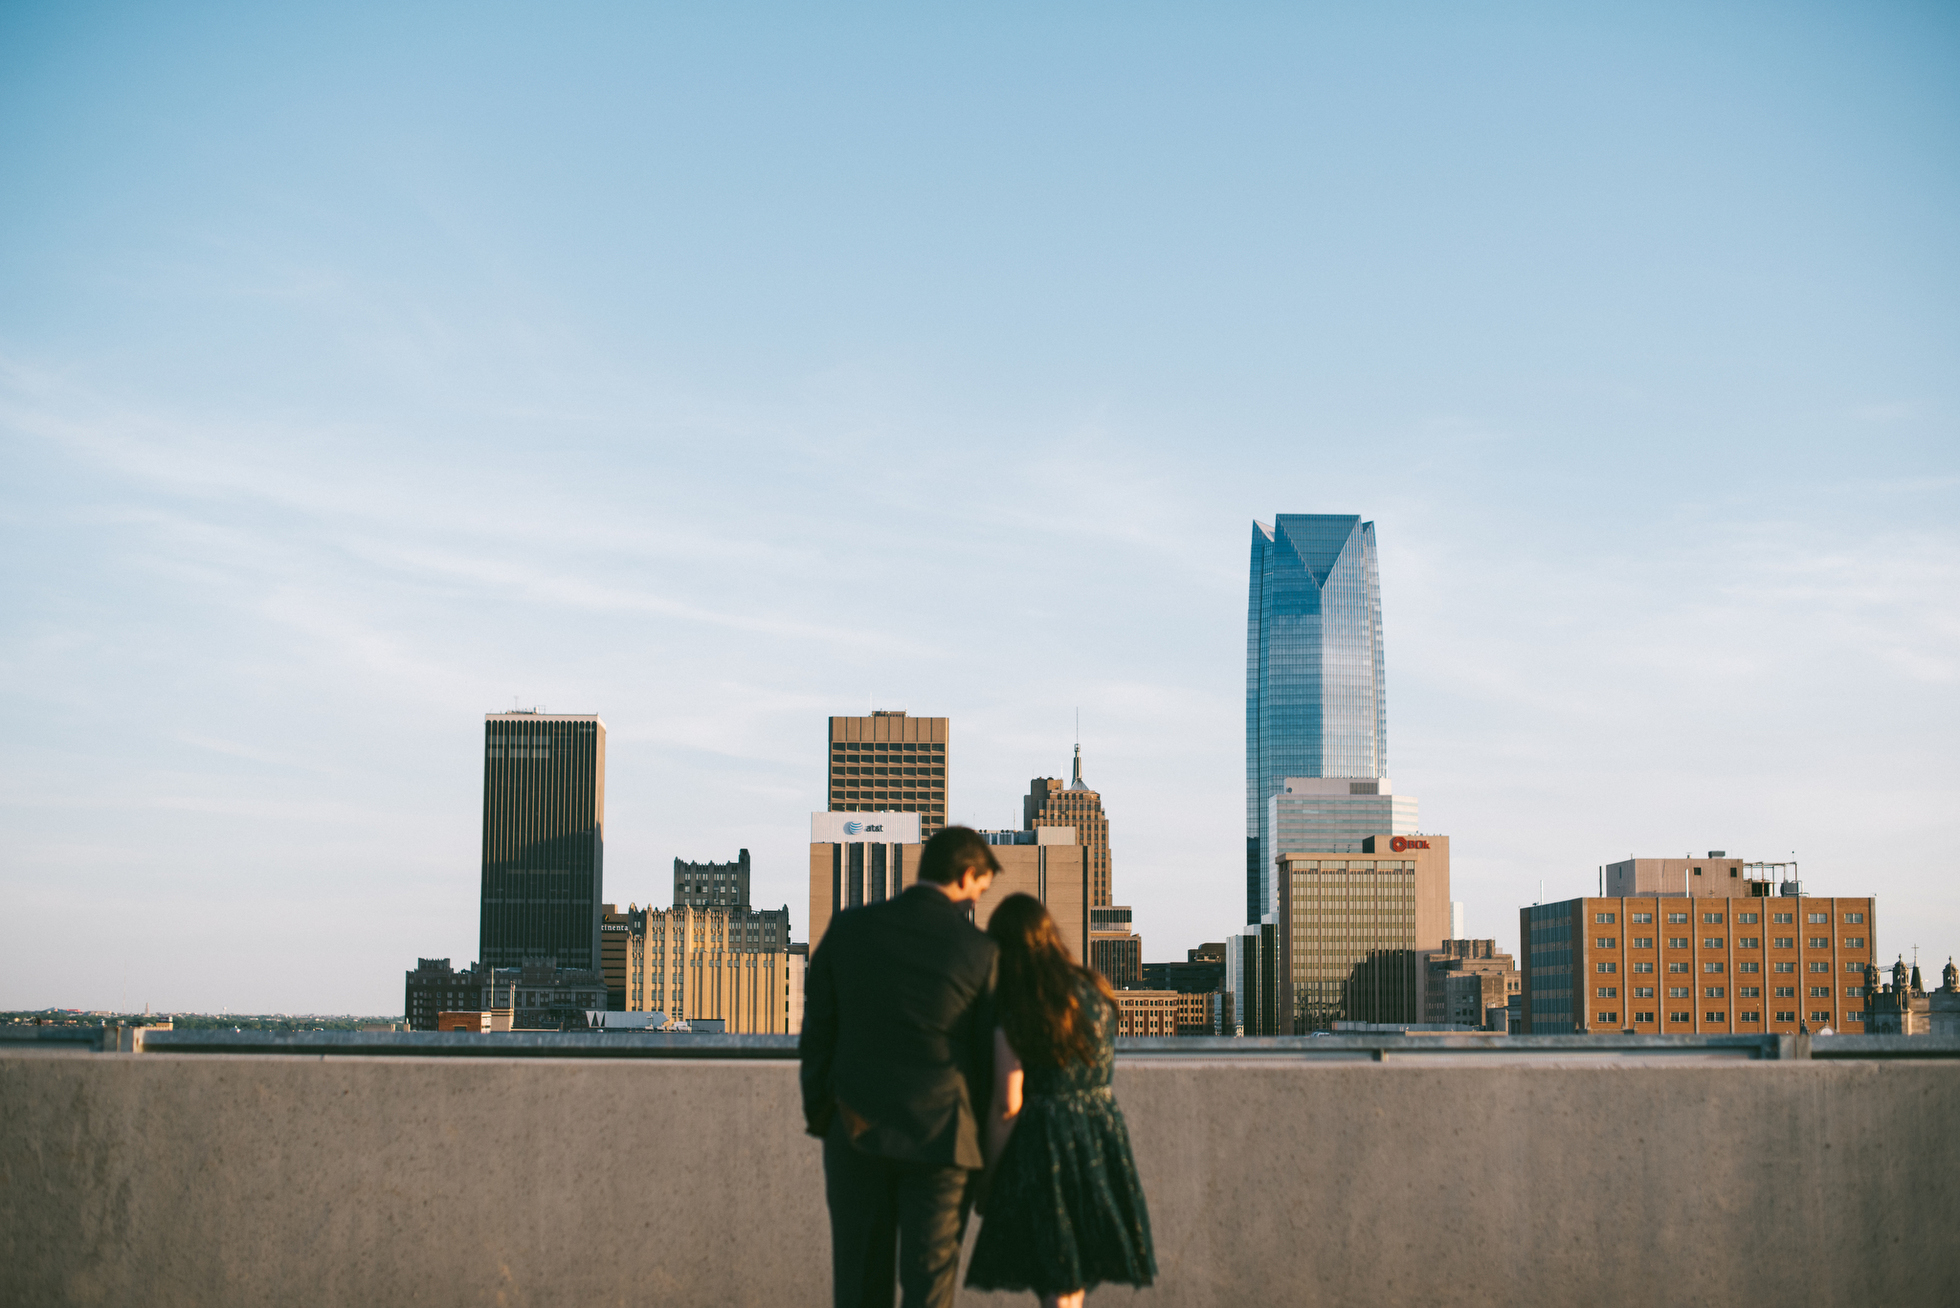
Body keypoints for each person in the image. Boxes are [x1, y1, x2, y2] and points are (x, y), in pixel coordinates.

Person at [799, 825, 1002, 1308]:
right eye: (979, 891)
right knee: (929, 1289)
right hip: (945, 1140)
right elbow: (989, 1065)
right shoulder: (982, 953)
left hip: (854, 1131)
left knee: (858, 1284)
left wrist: (823, 1115)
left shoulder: (848, 930)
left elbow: (817, 1036)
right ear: (967, 874)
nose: (976, 902)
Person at [965, 893, 1156, 1308]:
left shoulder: (1018, 999)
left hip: (1045, 1139)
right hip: (1100, 1130)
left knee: (1057, 1269)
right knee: (1073, 1272)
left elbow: (1007, 1103)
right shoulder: (1093, 988)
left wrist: (988, 1177)